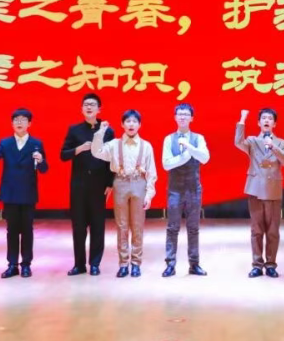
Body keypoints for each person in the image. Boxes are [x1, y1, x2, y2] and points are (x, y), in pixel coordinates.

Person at [91, 110, 157, 278]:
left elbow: (151, 172)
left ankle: (136, 263)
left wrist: (149, 194)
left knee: (137, 226)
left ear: (139, 125)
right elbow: (96, 152)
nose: (131, 124)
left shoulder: (146, 146)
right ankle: (123, 264)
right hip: (120, 183)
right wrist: (100, 132)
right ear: (122, 124)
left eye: (134, 121)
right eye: (128, 121)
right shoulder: (114, 144)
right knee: (121, 226)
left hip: (139, 183)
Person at [0, 108, 49, 279]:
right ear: (12, 123)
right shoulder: (5, 143)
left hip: (28, 192)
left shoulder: (36, 143)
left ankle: (26, 264)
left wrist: (41, 160)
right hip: (10, 193)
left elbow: (44, 169)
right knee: (11, 230)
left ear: (30, 123)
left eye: (23, 120)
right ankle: (12, 264)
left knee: (27, 230)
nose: (19, 123)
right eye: (16, 120)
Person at [60, 93, 114, 277]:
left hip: (99, 185)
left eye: (92, 104)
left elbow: (112, 159)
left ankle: (95, 263)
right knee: (79, 226)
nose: (89, 107)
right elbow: (63, 155)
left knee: (98, 226)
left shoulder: (107, 131)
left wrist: (110, 183)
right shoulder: (74, 130)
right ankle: (79, 264)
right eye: (86, 105)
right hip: (79, 185)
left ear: (99, 109)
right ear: (81, 109)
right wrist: (79, 148)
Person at [235, 108, 284, 278]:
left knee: (273, 231)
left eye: (270, 118)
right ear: (259, 123)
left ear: (275, 124)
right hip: (255, 189)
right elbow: (238, 142)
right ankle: (257, 265)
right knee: (256, 230)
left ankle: (271, 264)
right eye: (264, 118)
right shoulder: (252, 141)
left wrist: (273, 147)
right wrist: (242, 118)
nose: (267, 120)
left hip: (273, 190)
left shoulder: (281, 143)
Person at [161, 103, 211, 277]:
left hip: (194, 189)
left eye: (186, 114)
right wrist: (186, 156)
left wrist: (189, 147)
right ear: (175, 117)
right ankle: (170, 264)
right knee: (172, 227)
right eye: (180, 114)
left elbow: (205, 158)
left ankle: (194, 264)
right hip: (175, 189)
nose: (182, 117)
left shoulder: (198, 138)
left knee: (193, 228)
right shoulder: (169, 139)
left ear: (192, 118)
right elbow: (167, 164)